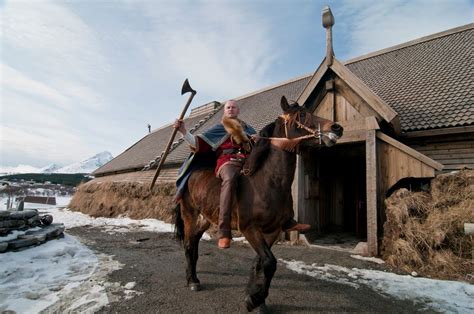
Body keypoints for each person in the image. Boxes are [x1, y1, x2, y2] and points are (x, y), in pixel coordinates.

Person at [174, 100, 310, 249]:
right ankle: (224, 230)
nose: (231, 109)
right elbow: (198, 142)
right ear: (225, 111)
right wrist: (183, 131)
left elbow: (258, 147)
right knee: (230, 179)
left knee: (276, 178)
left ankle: (287, 219)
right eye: (228, 107)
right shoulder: (220, 128)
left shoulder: (248, 128)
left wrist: (257, 140)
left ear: (238, 111)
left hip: (247, 160)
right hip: (227, 161)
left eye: (233, 107)